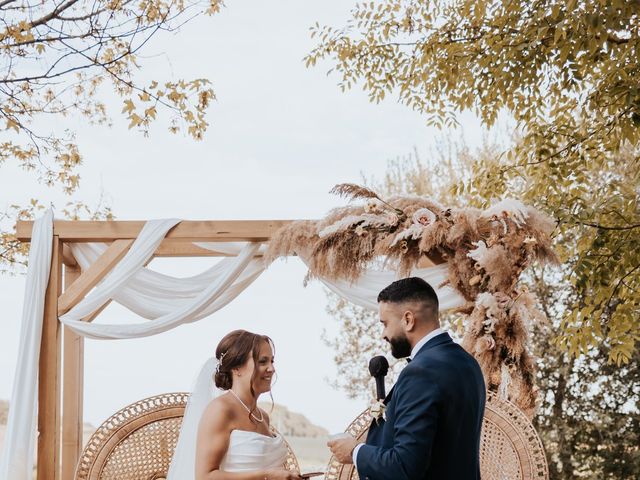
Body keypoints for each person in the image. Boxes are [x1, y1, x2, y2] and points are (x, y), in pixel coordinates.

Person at [328, 277, 486, 480]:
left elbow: (404, 466)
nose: (383, 334)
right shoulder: (468, 364)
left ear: (408, 320)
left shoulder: (421, 372)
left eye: (385, 324)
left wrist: (354, 451)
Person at [168, 329, 302, 480]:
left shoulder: (263, 417)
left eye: (272, 361)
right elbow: (205, 476)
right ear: (237, 368)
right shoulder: (221, 410)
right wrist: (267, 475)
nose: (271, 368)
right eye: (263, 361)